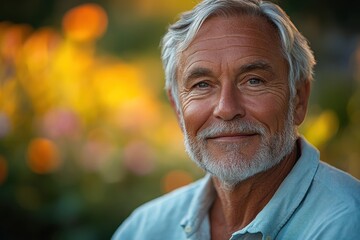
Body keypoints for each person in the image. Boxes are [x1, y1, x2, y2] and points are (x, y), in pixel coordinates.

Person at [112, 0, 360, 239]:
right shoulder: (144, 230)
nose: (227, 108)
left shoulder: (347, 223)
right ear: (177, 108)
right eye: (202, 84)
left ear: (298, 99)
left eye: (254, 80)